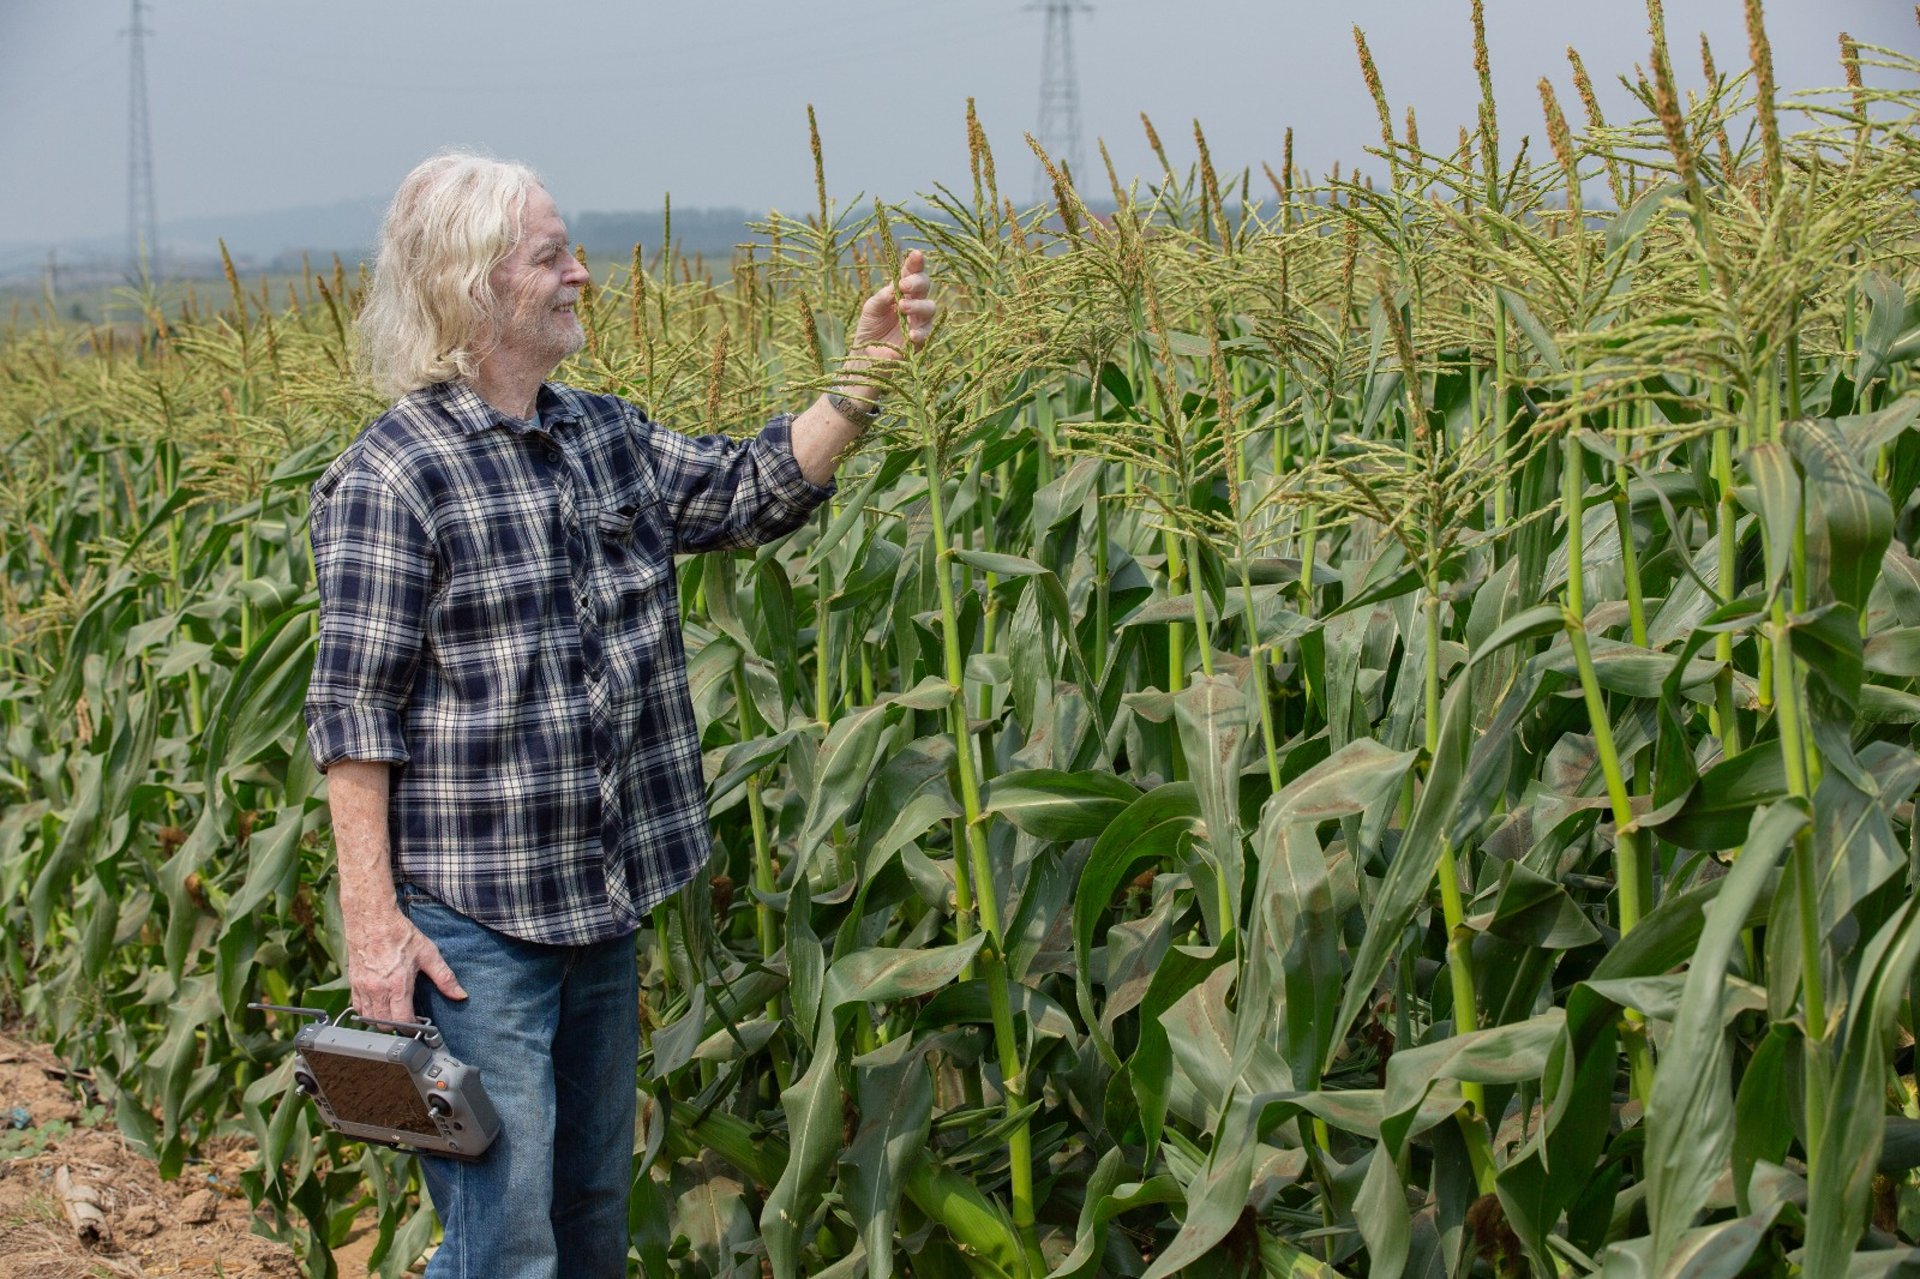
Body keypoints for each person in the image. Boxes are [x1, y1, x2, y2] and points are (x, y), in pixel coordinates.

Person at [302, 150, 933, 1278]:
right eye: (552, 256)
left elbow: (749, 490)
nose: (582, 274)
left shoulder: (604, 436)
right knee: (507, 1239)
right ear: (473, 284)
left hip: (599, 899)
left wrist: (863, 377)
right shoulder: (394, 478)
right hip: (473, 930)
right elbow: (353, 719)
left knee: (591, 1213)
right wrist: (373, 925)